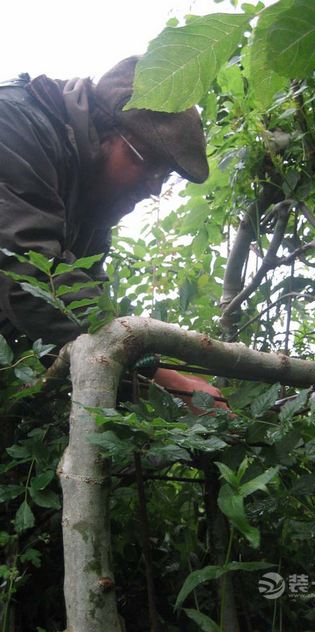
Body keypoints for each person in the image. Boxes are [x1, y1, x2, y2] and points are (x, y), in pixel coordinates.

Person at [0, 56, 226, 410]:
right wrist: (166, 380)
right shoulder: (14, 126)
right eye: (148, 161)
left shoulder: (92, 199)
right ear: (103, 126)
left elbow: (89, 303)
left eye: (163, 176)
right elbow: (29, 274)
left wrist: (160, 383)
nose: (153, 188)